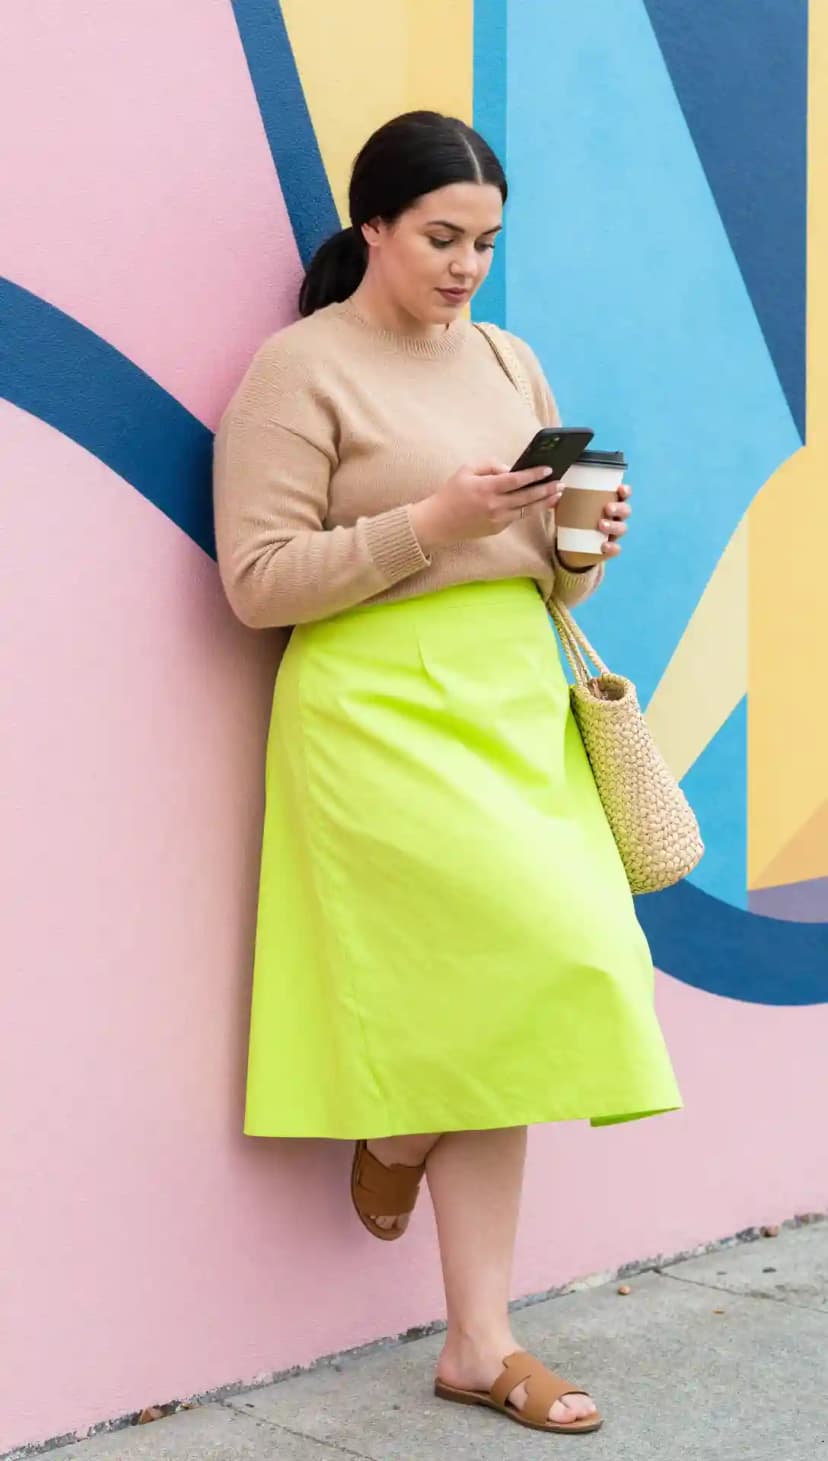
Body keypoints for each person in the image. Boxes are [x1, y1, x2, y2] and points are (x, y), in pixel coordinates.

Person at [213, 110, 682, 1439]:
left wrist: (583, 542)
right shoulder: (297, 373)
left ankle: (468, 1312)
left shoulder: (507, 359)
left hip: (512, 702)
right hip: (374, 717)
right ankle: (465, 1293)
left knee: (558, 966)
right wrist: (431, 521)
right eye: (442, 237)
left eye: (486, 241)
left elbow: (543, 568)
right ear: (374, 226)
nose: (468, 264)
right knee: (529, 967)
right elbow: (255, 582)